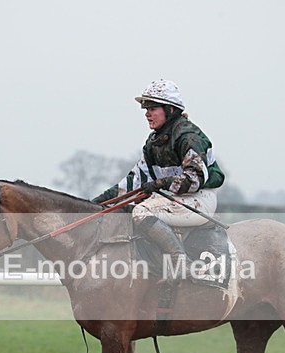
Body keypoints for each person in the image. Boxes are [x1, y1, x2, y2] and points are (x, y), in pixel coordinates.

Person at [93, 79, 225, 320]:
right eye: (145, 109)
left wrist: (162, 183)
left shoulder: (188, 136)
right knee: (130, 208)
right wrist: (97, 203)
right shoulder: (153, 142)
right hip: (175, 197)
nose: (147, 114)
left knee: (142, 212)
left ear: (170, 110)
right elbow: (133, 182)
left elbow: (194, 178)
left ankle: (180, 262)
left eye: (152, 108)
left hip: (199, 198)